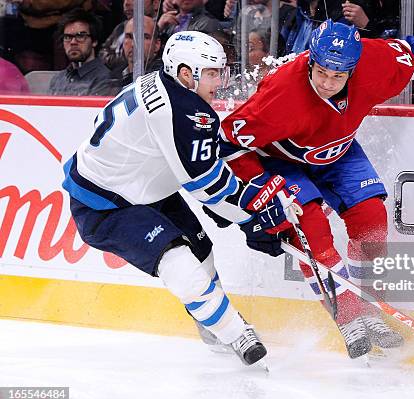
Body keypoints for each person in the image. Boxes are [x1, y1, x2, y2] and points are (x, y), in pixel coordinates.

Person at [218, 20, 414, 359]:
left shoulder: (373, 62)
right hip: (281, 162)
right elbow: (229, 142)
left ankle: (370, 306)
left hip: (339, 152)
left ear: (353, 71)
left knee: (371, 221)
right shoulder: (280, 93)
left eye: (337, 76)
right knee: (312, 229)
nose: (326, 83)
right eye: (321, 72)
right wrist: (260, 188)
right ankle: (349, 316)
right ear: (310, 61)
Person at [61, 31, 272, 366]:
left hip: (144, 185)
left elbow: (191, 157)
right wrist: (250, 217)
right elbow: (207, 183)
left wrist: (234, 204)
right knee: (178, 260)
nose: (222, 80)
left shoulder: (168, 85)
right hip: (105, 205)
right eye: (214, 73)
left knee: (202, 252)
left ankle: (211, 323)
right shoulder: (183, 109)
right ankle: (236, 332)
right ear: (186, 74)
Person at [49, 8, 114, 96]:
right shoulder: (57, 79)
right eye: (67, 37)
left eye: (80, 36)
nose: (73, 42)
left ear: (94, 41)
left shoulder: (106, 80)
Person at [98, 0, 161, 72]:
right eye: (129, 37)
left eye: (143, 37)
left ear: (156, 3)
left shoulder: (165, 28)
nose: (126, 3)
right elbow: (102, 53)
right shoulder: (120, 27)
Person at [110, 15, 163, 90]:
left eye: (143, 37)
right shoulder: (113, 77)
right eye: (129, 37)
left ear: (157, 45)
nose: (133, 44)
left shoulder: (162, 79)